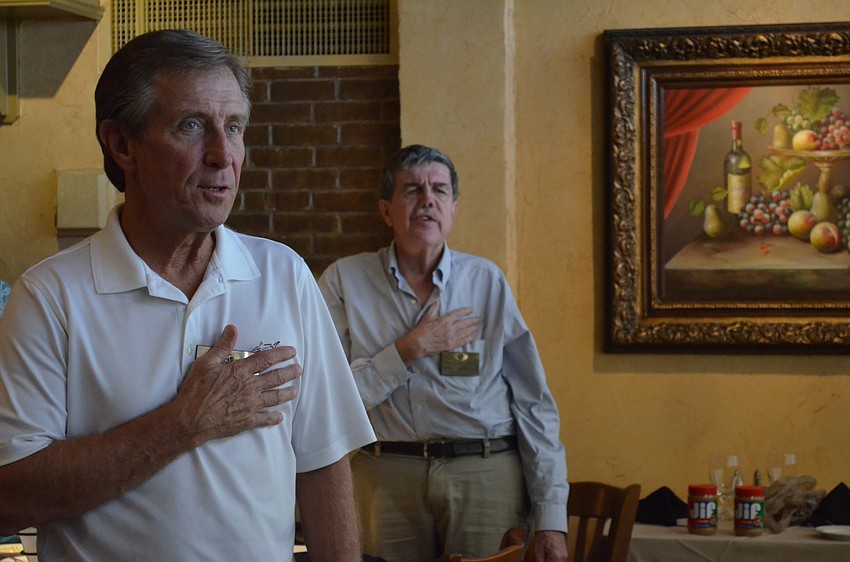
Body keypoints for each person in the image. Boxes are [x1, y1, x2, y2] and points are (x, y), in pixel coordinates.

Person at [0, 29, 375, 561]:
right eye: (191, 126)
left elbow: (323, 464)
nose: (223, 155)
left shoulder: (283, 274)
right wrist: (183, 425)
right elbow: (10, 496)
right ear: (121, 143)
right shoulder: (51, 296)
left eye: (234, 127)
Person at [318, 145, 569, 562]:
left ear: (453, 210)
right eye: (412, 190)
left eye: (439, 190)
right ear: (386, 210)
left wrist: (551, 517)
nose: (427, 200)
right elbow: (328, 400)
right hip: (385, 474)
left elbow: (533, 404)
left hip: (484, 471)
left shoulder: (486, 282)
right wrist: (410, 349)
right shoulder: (344, 281)